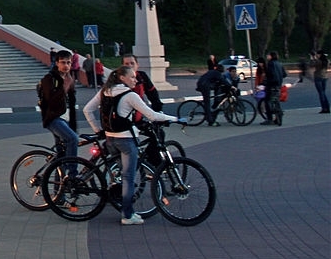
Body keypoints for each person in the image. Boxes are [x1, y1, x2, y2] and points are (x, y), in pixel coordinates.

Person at [82, 65, 180, 225]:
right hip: (126, 140)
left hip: (110, 139)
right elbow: (152, 115)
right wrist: (176, 119)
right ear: (123, 78)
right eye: (132, 77)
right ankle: (127, 215)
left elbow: (87, 109)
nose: (135, 80)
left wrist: (98, 130)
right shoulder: (130, 95)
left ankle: (115, 193)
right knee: (129, 177)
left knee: (120, 174)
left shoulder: (105, 91)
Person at [37, 50, 78, 164]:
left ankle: (60, 179)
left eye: (68, 63)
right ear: (57, 63)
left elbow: (71, 105)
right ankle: (71, 174)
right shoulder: (49, 79)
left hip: (67, 119)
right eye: (63, 62)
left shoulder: (69, 78)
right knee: (72, 139)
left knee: (62, 154)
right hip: (54, 118)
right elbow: (51, 101)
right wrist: (65, 86)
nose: (66, 66)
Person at [196, 57, 223, 126]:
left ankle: (210, 116)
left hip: (203, 84)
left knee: (208, 100)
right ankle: (210, 120)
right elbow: (223, 80)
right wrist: (231, 86)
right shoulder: (216, 73)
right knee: (207, 103)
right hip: (204, 85)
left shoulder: (213, 72)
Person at [263, 51, 285, 125]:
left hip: (271, 84)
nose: (267, 56)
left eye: (268, 55)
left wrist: (265, 81)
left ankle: (269, 118)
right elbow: (284, 74)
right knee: (276, 100)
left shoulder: (270, 64)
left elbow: (269, 74)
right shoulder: (279, 63)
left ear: (271, 56)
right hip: (278, 85)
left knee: (267, 101)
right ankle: (278, 115)